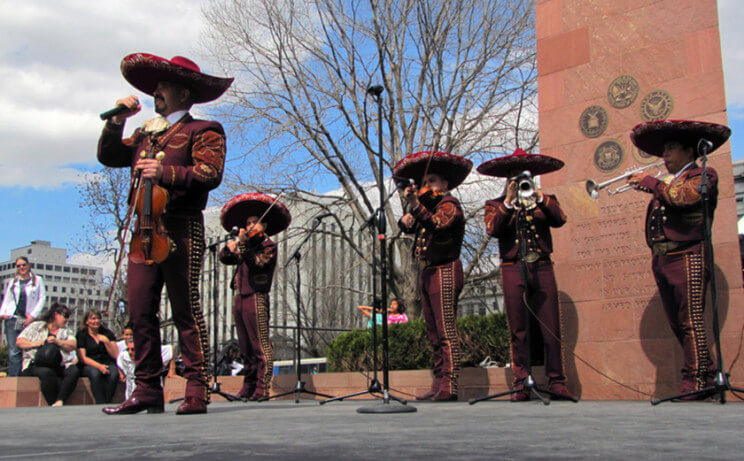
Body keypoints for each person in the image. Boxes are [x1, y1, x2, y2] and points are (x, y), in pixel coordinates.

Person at [98, 53, 233, 415]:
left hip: (180, 226)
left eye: (164, 86)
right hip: (143, 228)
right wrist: (116, 122)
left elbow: (209, 173)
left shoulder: (203, 130)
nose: (156, 91)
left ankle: (196, 387)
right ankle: (146, 388)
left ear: (185, 94)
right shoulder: (144, 131)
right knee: (140, 310)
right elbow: (109, 155)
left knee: (186, 307)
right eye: (156, 87)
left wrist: (165, 174)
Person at [627, 119, 731, 399]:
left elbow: (683, 198)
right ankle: (703, 376)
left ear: (688, 151)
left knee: (691, 320)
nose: (665, 156)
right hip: (663, 258)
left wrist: (650, 183)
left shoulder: (703, 175)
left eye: (670, 148)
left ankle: (696, 381)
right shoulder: (668, 182)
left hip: (688, 254)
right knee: (678, 322)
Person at [479, 148, 575, 401]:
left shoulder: (545, 199)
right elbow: (493, 229)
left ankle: (556, 381)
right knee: (518, 328)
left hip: (542, 265)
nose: (519, 181)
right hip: (513, 267)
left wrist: (538, 195)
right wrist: (509, 202)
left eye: (524, 177)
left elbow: (559, 219)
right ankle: (521, 381)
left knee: (551, 325)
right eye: (514, 177)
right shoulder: (496, 205)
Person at [394, 151, 472, 401]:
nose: (428, 186)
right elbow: (405, 225)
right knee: (433, 332)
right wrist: (413, 206)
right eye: (425, 182)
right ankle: (439, 381)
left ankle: (450, 384)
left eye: (433, 181)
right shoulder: (426, 208)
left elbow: (438, 224)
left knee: (446, 329)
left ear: (445, 184)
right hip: (427, 272)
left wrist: (417, 205)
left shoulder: (450, 204)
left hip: (446, 269)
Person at [219, 193, 291, 401]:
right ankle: (248, 384)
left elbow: (256, 263)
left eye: (254, 223)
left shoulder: (268, 246)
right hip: (240, 297)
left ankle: (262, 386)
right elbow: (225, 258)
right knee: (245, 346)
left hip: (256, 296)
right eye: (248, 223)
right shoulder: (246, 244)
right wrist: (230, 247)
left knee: (259, 344)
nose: (250, 226)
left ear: (264, 226)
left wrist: (242, 246)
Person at [16, 303, 79, 406]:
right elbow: (19, 342)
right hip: (36, 364)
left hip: (59, 364)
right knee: (47, 373)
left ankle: (60, 400)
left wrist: (58, 342)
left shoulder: (66, 331)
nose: (67, 320)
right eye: (65, 316)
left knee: (73, 371)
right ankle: (52, 402)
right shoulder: (36, 326)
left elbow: (73, 345)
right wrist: (36, 343)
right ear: (56, 315)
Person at [1, 257, 46, 376]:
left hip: (28, 320)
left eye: (23, 265)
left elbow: (42, 299)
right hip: (13, 319)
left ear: (28, 265)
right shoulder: (13, 282)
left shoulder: (37, 280)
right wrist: (3, 313)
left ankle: (27, 376)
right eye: (18, 266)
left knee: (28, 349)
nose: (21, 268)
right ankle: (14, 378)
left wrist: (32, 316)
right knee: (14, 351)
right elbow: (7, 299)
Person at [77, 310, 119, 404]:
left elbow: (116, 355)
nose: (96, 321)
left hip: (107, 362)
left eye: (98, 318)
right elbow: (82, 358)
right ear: (87, 321)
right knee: (95, 374)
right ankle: (100, 402)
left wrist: (107, 342)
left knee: (113, 374)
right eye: (93, 318)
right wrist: (99, 366)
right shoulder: (82, 334)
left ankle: (108, 402)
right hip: (90, 364)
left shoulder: (107, 333)